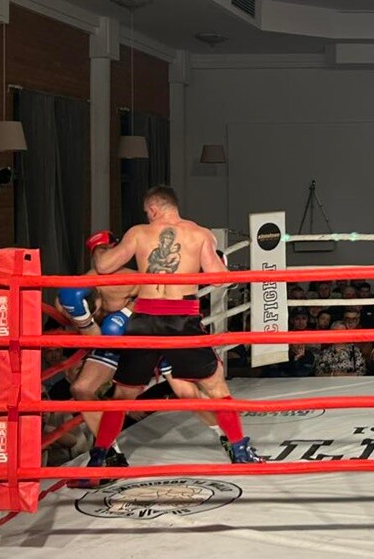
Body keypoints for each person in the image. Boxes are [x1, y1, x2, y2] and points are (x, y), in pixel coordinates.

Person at [83, 185, 261, 481]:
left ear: (153, 209)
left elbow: (103, 267)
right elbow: (220, 280)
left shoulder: (138, 233)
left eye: (147, 212)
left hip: (144, 320)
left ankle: (99, 456)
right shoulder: (200, 234)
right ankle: (239, 449)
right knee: (216, 387)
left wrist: (100, 247)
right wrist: (222, 264)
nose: (147, 216)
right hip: (182, 319)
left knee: (122, 395)